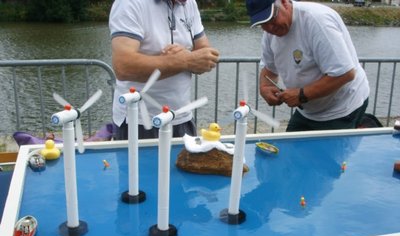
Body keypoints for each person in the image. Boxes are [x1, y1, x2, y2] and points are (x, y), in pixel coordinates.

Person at [246, 0, 370, 131]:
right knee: (289, 149)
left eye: (272, 18)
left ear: (284, 2)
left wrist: (301, 95)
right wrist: (265, 87)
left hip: (342, 108)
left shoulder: (317, 21)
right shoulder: (270, 33)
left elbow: (345, 74)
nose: (270, 27)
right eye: (262, 23)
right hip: (308, 110)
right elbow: (269, 69)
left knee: (328, 152)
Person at [109, 0, 219, 139]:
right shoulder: (129, 3)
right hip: (140, 121)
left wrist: (184, 57)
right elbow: (123, 67)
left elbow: (207, 56)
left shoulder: (189, 3)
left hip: (182, 117)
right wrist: (185, 60)